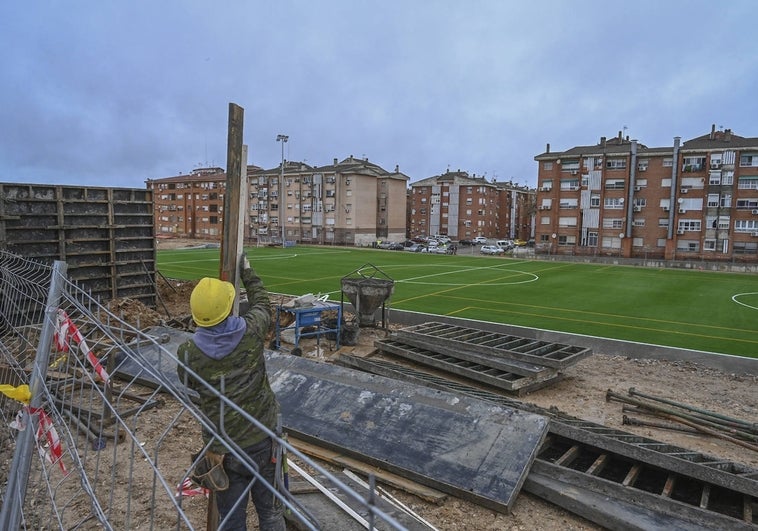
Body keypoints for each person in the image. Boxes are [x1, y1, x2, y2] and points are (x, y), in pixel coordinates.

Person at [178, 254, 285, 531]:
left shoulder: (189, 354)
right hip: (265, 437)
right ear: (228, 309)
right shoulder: (251, 331)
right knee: (271, 514)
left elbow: (190, 383)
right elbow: (262, 302)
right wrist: (248, 273)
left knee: (232, 519)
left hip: (224, 449)